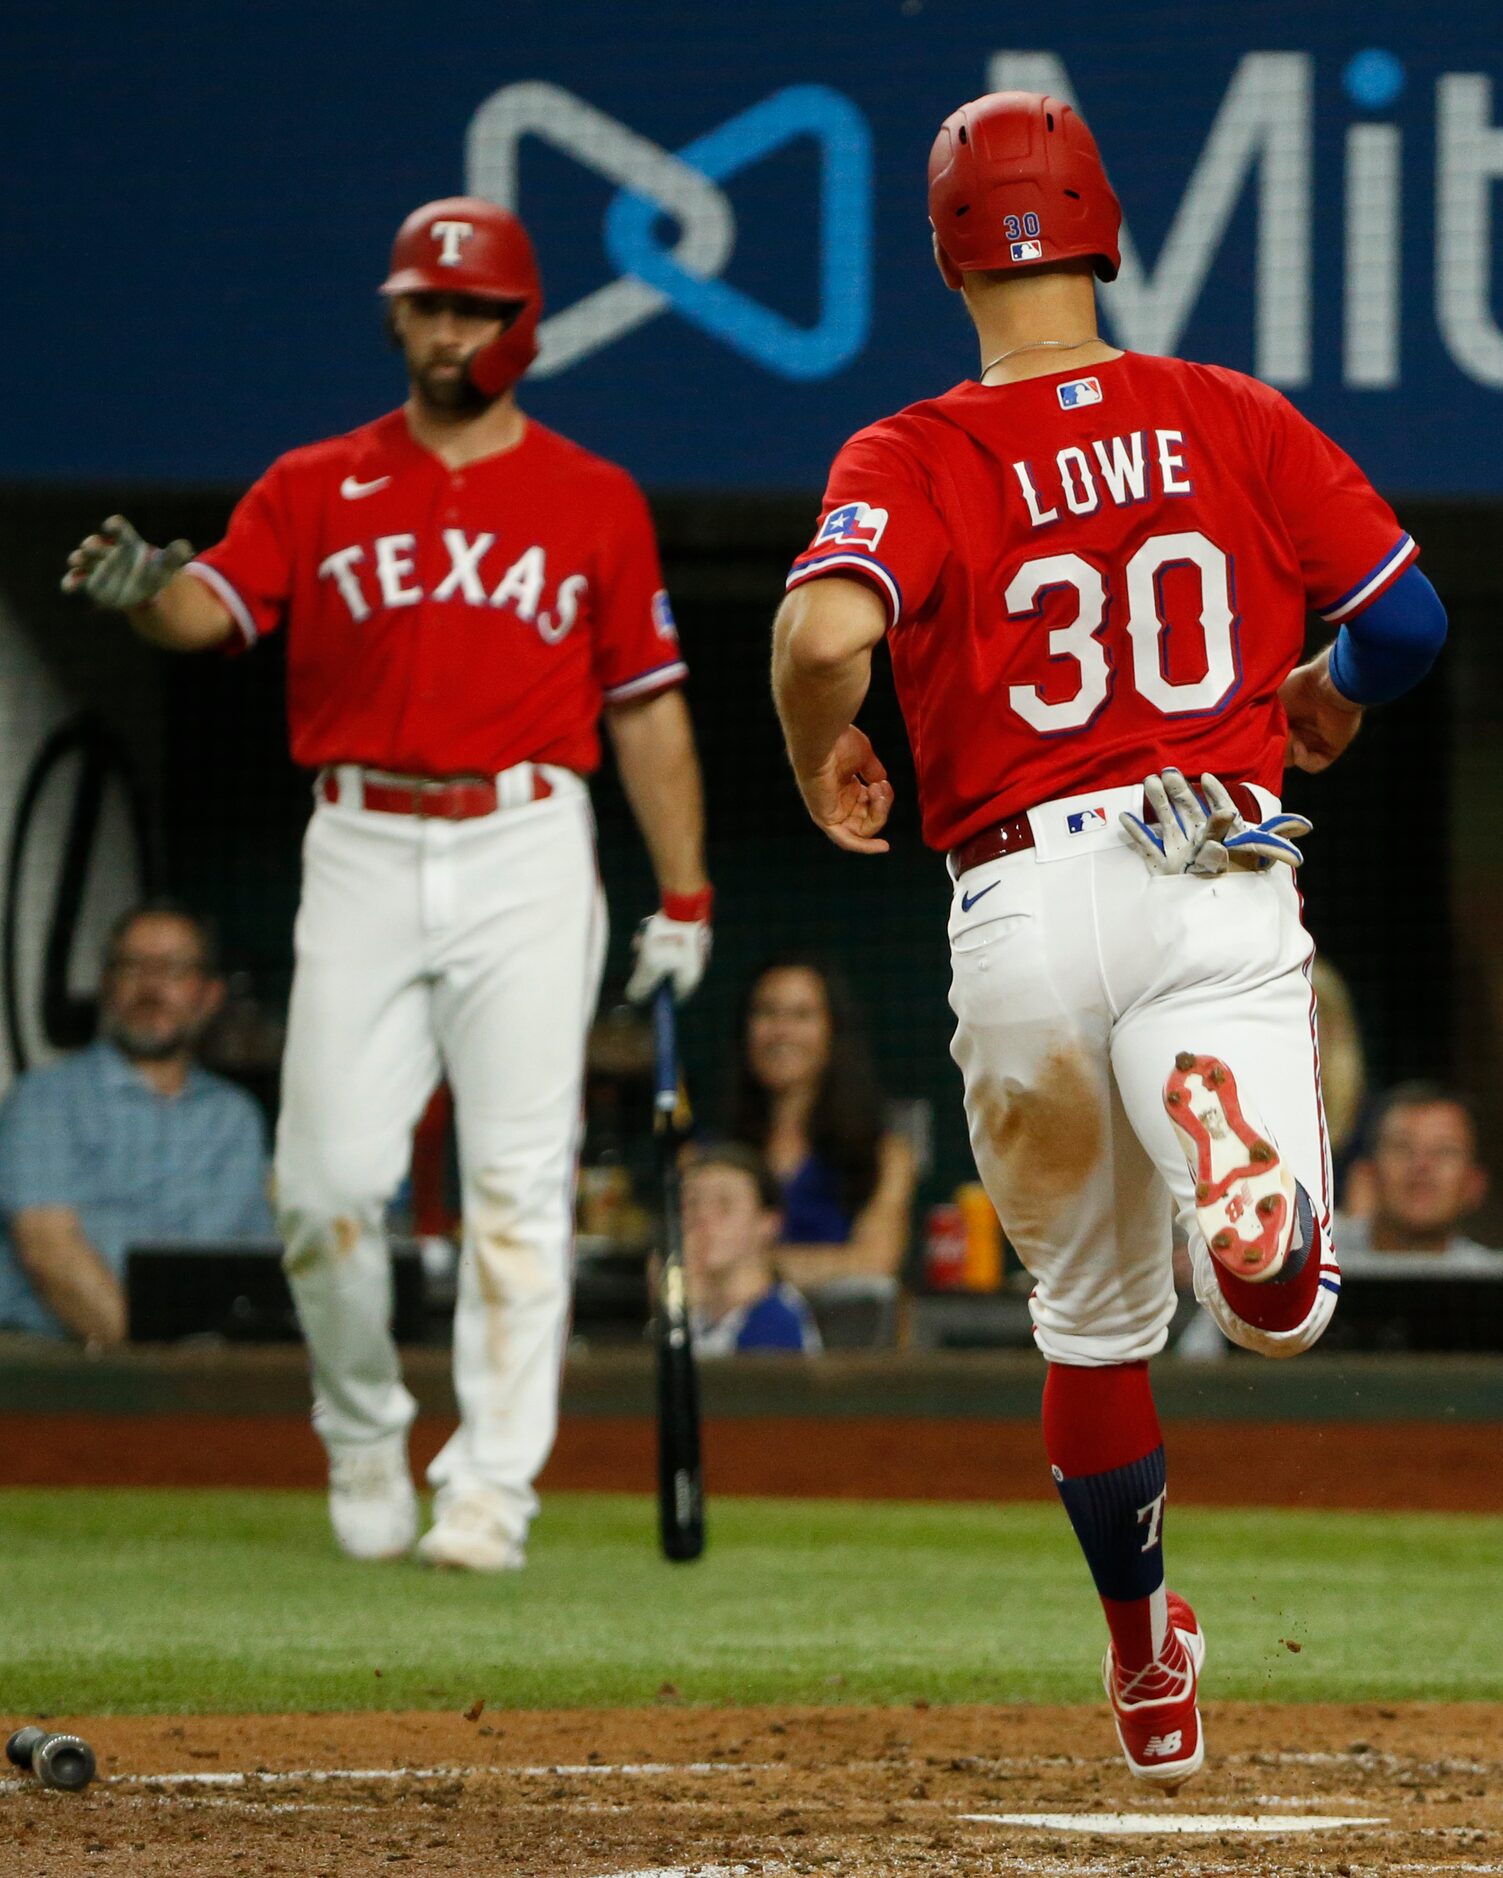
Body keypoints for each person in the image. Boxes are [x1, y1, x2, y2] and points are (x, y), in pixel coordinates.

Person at [771, 92, 1447, 1788]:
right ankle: (1250, 1208)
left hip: (1009, 894)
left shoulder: (910, 450)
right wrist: (1322, 689)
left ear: (944, 252)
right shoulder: (1216, 409)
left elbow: (820, 626)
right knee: (1278, 1315)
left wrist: (811, 750)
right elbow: (1405, 621)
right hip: (1201, 839)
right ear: (1106, 230)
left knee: (1083, 1324)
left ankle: (1146, 1665)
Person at [62, 198, 713, 1572]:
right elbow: (207, 610)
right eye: (428, 303)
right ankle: (364, 1428)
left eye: (475, 307)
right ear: (396, 315)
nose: (449, 328)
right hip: (359, 836)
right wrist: (141, 587)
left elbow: (647, 708)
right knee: (323, 1183)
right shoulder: (316, 479)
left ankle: (488, 1488)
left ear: (520, 325)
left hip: (529, 838)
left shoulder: (591, 495)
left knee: (516, 1184)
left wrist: (685, 890)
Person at [0, 903, 273, 1345]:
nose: (150, 985)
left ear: (209, 995)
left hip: (209, 1369)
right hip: (61, 1370)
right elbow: (49, 1252)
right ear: (108, 986)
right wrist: (158, 1370)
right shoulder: (45, 1100)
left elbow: (254, 1264)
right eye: (133, 965)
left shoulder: (234, 1118)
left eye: (174, 969)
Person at [726, 957, 915, 1291]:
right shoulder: (710, 1155)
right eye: (767, 1013)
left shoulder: (885, 1157)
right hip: (732, 1344)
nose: (782, 1031)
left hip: (845, 1342)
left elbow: (875, 1264)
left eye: (801, 1015)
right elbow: (676, 1270)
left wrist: (751, 1267)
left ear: (833, 1032)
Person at [681, 1143, 821, 1357]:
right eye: (692, 1204)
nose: (702, 1218)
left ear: (768, 1222)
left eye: (724, 1205)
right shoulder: (694, 1318)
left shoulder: (776, 1321)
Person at [1337, 1083, 1496, 1268]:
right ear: (1368, 1173)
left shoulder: (1490, 1279)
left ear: (1474, 1184)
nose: (1422, 1165)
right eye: (1402, 1147)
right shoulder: (1312, 1266)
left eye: (1444, 1151)